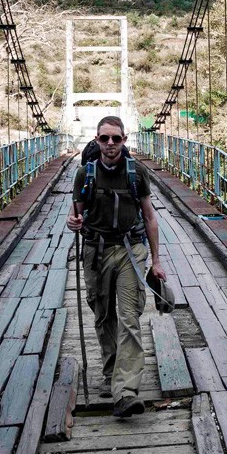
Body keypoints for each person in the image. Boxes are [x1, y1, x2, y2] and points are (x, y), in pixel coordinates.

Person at [66, 116, 167, 418]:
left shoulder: (137, 173)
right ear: (96, 141)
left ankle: (125, 391)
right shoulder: (85, 174)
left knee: (129, 316)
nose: (110, 144)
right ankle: (111, 372)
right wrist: (73, 222)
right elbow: (75, 215)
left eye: (116, 138)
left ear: (124, 140)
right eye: (104, 138)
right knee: (103, 315)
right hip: (96, 251)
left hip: (130, 250)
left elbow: (150, 217)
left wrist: (156, 261)